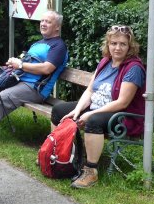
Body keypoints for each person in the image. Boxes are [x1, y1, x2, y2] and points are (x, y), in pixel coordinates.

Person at [50, 25, 146, 189]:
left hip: (122, 116)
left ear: (130, 46)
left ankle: (91, 171)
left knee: (93, 120)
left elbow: (122, 102)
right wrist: (78, 110)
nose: (117, 47)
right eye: (114, 43)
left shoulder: (134, 68)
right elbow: (90, 90)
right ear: (108, 44)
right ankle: (61, 156)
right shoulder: (105, 62)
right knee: (59, 110)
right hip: (97, 107)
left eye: (122, 44)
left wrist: (88, 115)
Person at [0, 11, 67, 133]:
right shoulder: (39, 43)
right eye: (42, 21)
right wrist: (14, 62)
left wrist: (20, 65)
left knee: (4, 97)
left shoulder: (58, 46)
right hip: (19, 79)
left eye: (48, 21)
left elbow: (47, 69)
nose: (43, 24)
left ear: (57, 26)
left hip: (35, 88)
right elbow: (26, 61)